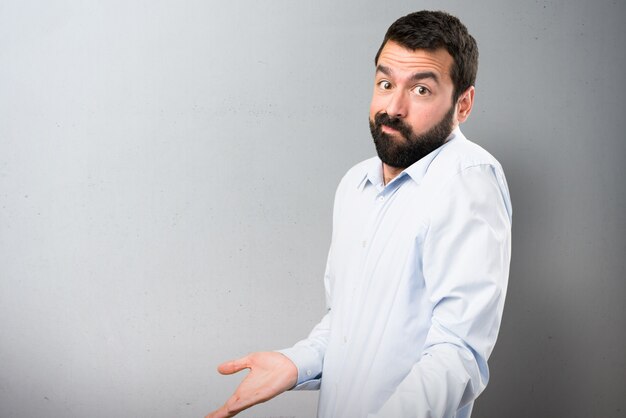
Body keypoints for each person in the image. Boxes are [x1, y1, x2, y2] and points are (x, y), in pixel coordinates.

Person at [206, 10, 512, 418]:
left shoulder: (468, 180)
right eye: (385, 84)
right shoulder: (355, 184)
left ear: (464, 104)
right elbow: (345, 324)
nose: (393, 107)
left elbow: (458, 353)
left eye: (420, 90)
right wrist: (295, 364)